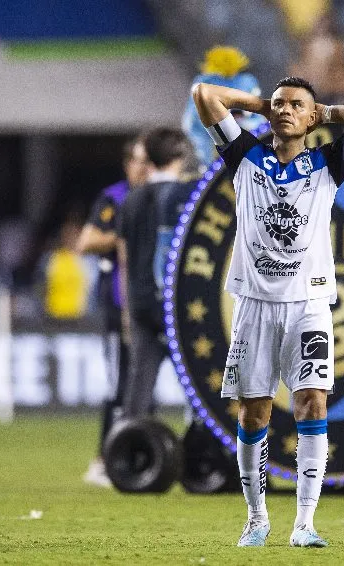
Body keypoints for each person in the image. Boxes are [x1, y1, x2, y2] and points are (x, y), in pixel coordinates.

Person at [192, 77, 344, 547]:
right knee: (253, 414)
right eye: (280, 104)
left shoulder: (327, 164)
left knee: (312, 403)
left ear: (311, 117)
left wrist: (325, 112)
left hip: (309, 305)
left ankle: (305, 523)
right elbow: (204, 94)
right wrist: (262, 105)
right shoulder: (244, 155)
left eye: (296, 105)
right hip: (254, 306)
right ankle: (257, 518)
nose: (285, 110)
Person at [76, 136, 149, 487]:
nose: (143, 168)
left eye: (148, 161)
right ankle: (104, 460)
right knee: (119, 384)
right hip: (118, 307)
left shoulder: (158, 196)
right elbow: (86, 241)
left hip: (151, 304)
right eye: (138, 161)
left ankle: (139, 457)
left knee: (142, 388)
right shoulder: (115, 198)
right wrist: (123, 234)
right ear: (127, 164)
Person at [117, 128, 192, 421]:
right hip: (178, 305)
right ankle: (203, 443)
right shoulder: (188, 196)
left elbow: (124, 260)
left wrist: (127, 311)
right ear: (179, 156)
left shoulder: (131, 200)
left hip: (140, 302)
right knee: (198, 385)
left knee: (139, 386)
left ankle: (128, 442)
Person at [182, 46, 268, 169]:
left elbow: (257, 113)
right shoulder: (204, 81)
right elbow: (193, 119)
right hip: (209, 133)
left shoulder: (247, 81)